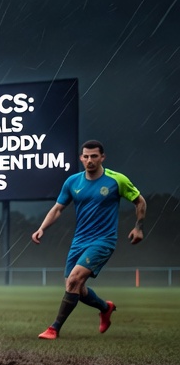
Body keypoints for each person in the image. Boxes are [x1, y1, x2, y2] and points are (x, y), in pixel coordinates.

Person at [31, 140, 145, 339]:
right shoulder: (72, 182)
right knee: (75, 286)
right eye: (86, 156)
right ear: (81, 158)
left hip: (103, 240)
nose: (90, 160)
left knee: (74, 280)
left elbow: (139, 201)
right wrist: (42, 228)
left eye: (94, 156)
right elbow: (58, 209)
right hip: (79, 241)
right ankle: (105, 307)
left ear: (102, 158)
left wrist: (138, 227)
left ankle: (54, 328)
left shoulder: (116, 180)